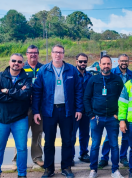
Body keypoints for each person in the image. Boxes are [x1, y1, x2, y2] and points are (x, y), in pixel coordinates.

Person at [32, 44, 83, 178]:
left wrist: (79, 109)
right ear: (52, 54)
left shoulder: (71, 70)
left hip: (67, 111)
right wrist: (36, 111)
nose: (57, 55)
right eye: (55, 52)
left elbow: (78, 90)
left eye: (60, 52)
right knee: (49, 141)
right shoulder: (44, 70)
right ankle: (49, 169)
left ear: (63, 54)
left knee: (67, 141)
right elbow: (37, 92)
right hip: (49, 111)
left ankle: (66, 168)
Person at [84, 55, 124, 178]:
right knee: (95, 145)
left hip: (113, 118)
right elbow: (86, 98)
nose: (106, 66)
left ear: (111, 65)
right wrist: (91, 114)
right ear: (99, 65)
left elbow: (122, 99)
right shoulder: (93, 79)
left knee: (114, 145)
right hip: (96, 118)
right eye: (104, 64)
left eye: (108, 64)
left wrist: (118, 114)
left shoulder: (117, 80)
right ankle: (93, 170)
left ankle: (115, 170)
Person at [12, 45, 44, 170]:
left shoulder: (43, 68)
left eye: (35, 52)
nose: (33, 55)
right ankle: (16, 159)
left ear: (38, 54)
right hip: (24, 107)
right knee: (20, 134)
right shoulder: (21, 67)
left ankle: (37, 157)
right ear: (27, 54)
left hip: (39, 107)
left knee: (38, 133)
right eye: (30, 53)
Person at [0, 53, 32, 178]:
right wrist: (17, 94)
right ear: (9, 62)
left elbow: (25, 96)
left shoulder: (27, 78)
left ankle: (22, 174)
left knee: (22, 149)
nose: (16, 63)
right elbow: (20, 96)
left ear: (23, 64)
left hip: (20, 119)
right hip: (2, 118)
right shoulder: (1, 76)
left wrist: (6, 91)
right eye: (14, 61)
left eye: (19, 62)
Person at [100, 54, 132, 168]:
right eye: (122, 61)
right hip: (113, 109)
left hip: (127, 109)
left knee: (126, 135)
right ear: (118, 61)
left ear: (128, 62)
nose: (124, 62)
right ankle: (104, 157)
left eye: (126, 61)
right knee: (110, 136)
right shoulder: (112, 73)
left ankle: (123, 157)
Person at [71, 53, 92, 165]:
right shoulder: (71, 74)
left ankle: (83, 153)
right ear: (76, 62)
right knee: (72, 134)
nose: (83, 63)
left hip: (86, 110)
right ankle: (71, 156)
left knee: (85, 134)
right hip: (74, 110)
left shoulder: (90, 76)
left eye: (84, 61)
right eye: (80, 61)